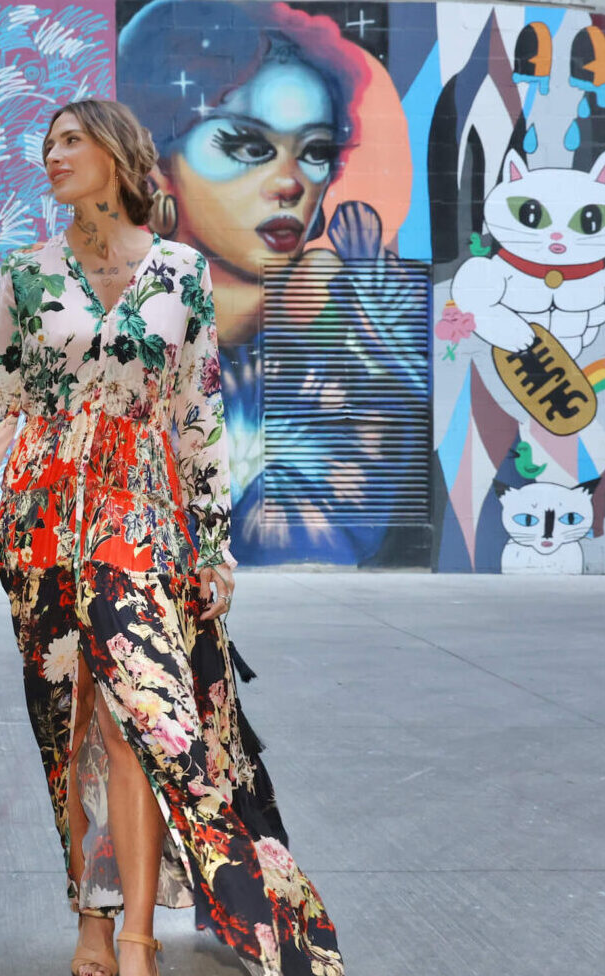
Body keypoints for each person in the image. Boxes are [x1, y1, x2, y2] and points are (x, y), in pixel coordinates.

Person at [0, 99, 343, 976]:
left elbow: (195, 421)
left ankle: (143, 947)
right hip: (37, 527)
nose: (50, 155)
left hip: (139, 524)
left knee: (142, 726)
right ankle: (90, 916)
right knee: (65, 721)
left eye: (69, 141)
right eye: (46, 145)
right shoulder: (27, 278)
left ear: (116, 157)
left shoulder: (182, 273)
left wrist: (212, 548)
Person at [117, 1, 411, 565]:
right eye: (249, 147)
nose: (290, 182)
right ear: (160, 168)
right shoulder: (119, 329)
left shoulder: (345, 352)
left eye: (316, 152)